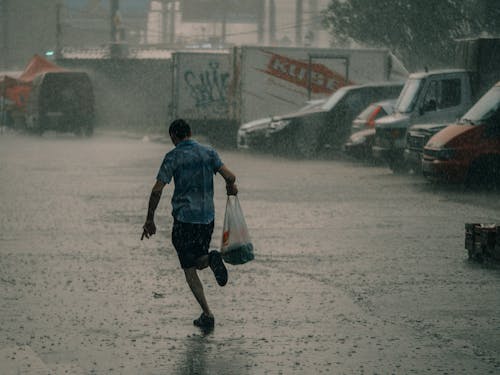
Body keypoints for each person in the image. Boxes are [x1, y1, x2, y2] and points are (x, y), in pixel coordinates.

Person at [141, 119, 238, 330]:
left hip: (184, 221)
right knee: (198, 259)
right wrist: (231, 187)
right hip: (206, 220)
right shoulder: (209, 152)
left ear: (173, 137)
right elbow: (230, 176)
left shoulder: (173, 157)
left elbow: (157, 190)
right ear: (190, 133)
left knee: (189, 267)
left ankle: (207, 314)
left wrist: (150, 219)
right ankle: (211, 259)